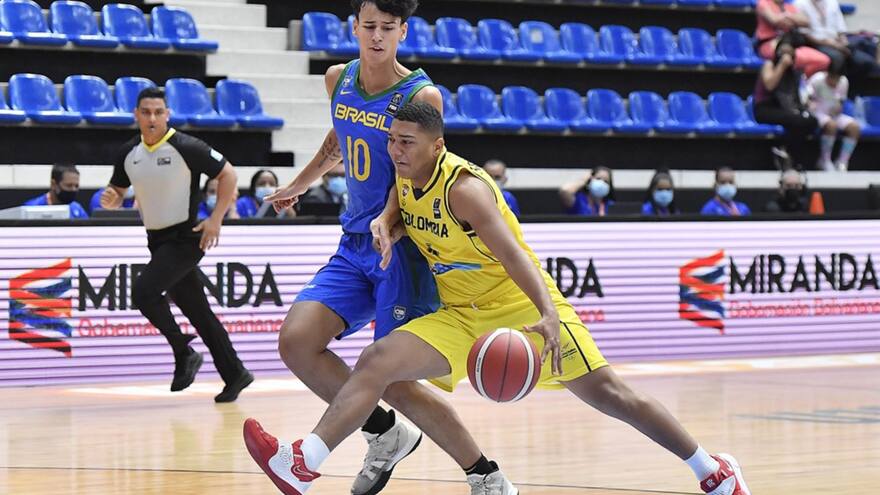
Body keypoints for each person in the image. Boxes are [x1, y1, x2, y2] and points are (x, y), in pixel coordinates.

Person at [243, 102, 750, 495]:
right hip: (461, 314)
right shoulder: (404, 169)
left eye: (408, 143)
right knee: (377, 361)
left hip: (522, 310)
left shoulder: (466, 190)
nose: (397, 151)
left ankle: (712, 469)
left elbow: (517, 256)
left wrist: (550, 315)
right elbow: (402, 198)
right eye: (393, 141)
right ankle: (303, 463)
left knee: (613, 397)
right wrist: (387, 224)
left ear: (437, 146)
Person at [251, 1, 502, 494]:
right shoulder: (337, 79)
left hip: (403, 250)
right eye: (370, 26)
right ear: (355, 28)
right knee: (297, 342)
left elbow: (419, 170)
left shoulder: (420, 93)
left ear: (403, 31)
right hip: (354, 242)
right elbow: (339, 140)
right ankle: (385, 435)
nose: (378, 36)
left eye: (389, 27)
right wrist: (299, 184)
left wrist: (388, 218)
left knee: (395, 379)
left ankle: (485, 474)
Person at [99, 87, 253, 403]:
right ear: (136, 115)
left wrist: (216, 219)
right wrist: (113, 200)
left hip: (186, 238)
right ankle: (235, 372)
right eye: (146, 112)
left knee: (143, 292)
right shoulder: (129, 153)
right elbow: (117, 189)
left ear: (167, 114)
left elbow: (228, 174)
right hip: (157, 241)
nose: (152, 118)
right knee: (198, 311)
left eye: (158, 112)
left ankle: (183, 351)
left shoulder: (186, 146)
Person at [753, 34, 819, 169]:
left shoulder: (795, 72)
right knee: (797, 121)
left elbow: (796, 96)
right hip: (766, 108)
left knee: (811, 121)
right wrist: (781, 66)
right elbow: (770, 85)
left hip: (786, 109)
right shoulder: (769, 65)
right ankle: (787, 153)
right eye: (783, 52)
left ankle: (785, 150)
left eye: (789, 53)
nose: (786, 56)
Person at [794, 0, 879, 90]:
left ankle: (849, 93)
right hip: (816, 43)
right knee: (838, 58)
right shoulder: (800, 3)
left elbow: (841, 30)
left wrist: (843, 43)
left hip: (836, 41)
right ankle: (831, 94)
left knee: (865, 61)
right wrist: (833, 45)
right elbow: (804, 34)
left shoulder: (832, 2)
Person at [807, 62, 860, 171]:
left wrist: (838, 108)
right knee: (832, 126)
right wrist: (811, 105)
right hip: (817, 113)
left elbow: (841, 100)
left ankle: (843, 161)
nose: (835, 82)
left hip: (835, 114)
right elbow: (806, 99)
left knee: (854, 127)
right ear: (827, 73)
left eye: (838, 79)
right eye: (833, 78)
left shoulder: (844, 81)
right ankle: (824, 160)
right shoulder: (816, 80)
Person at [754, 0, 829, 76]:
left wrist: (787, 16)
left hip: (792, 43)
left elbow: (806, 21)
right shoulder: (764, 2)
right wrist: (794, 20)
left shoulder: (789, 6)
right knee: (786, 57)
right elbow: (775, 20)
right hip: (770, 43)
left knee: (823, 60)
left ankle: (803, 81)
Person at [23, 163, 89, 219]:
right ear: (53, 184)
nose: (73, 189)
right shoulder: (31, 208)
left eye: (76, 186)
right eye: (69, 185)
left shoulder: (77, 209)